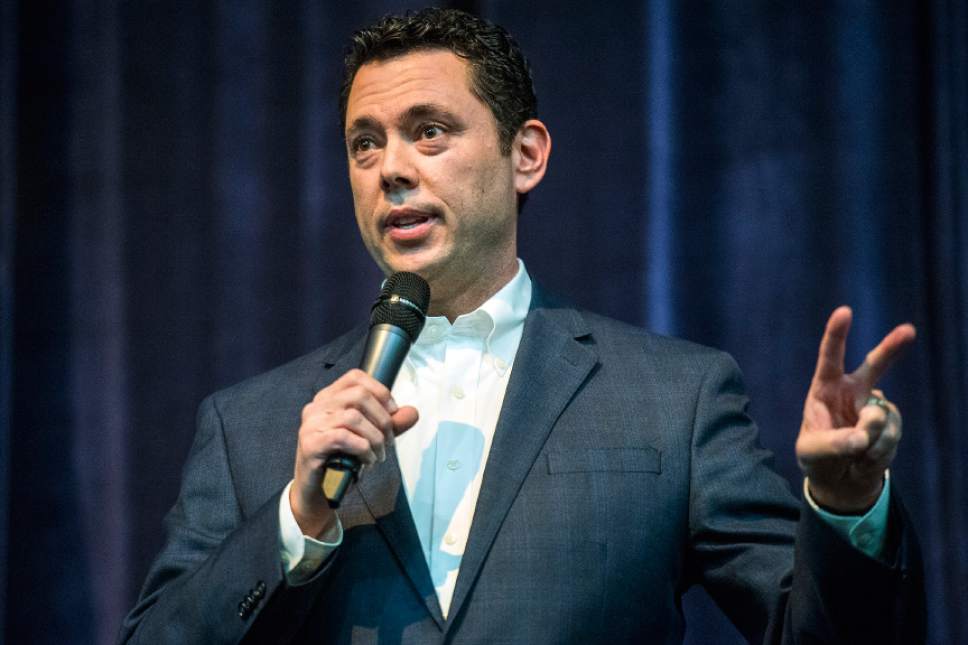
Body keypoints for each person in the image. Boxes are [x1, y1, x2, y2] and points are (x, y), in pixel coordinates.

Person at [119, 8, 924, 644]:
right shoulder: (251, 424)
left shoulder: (671, 400)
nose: (392, 167)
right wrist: (297, 519)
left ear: (526, 154)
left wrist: (844, 501)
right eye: (365, 144)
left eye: (429, 131)